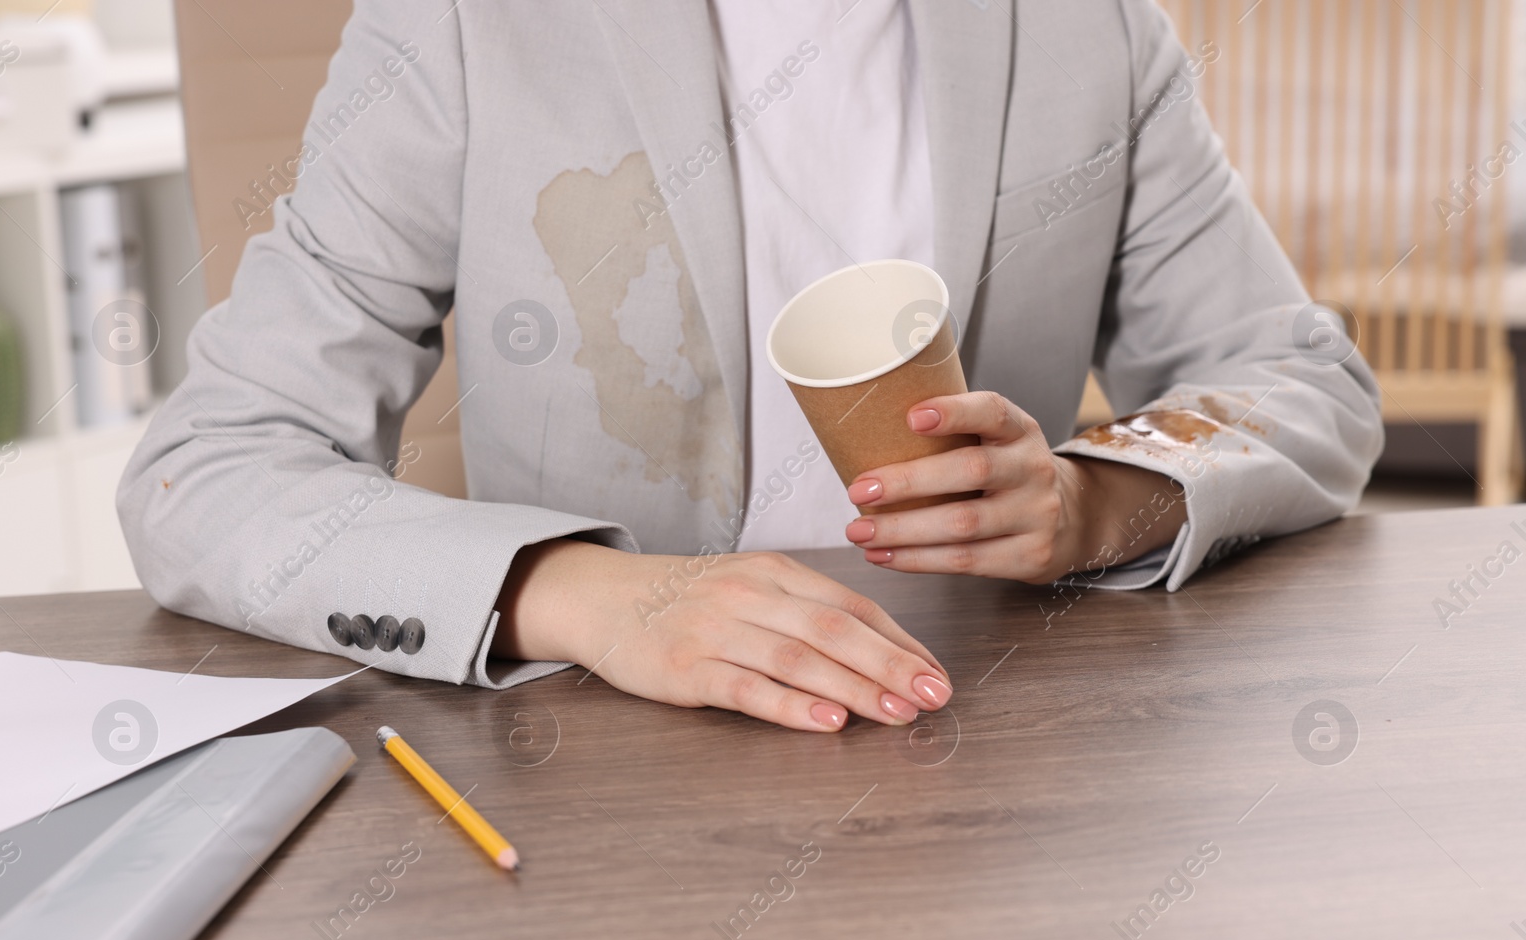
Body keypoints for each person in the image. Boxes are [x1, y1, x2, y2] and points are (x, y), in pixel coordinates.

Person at [118, 0, 1382, 734]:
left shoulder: (1086, 27)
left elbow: (1299, 378)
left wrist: (1099, 500)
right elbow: (208, 471)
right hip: (596, 762)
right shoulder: (466, 22)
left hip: (966, 736)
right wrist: (576, 593)